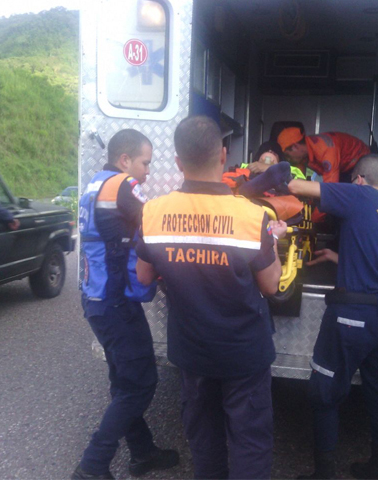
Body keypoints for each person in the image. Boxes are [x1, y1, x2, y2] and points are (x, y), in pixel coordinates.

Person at [135, 115, 287, 479]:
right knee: (250, 444)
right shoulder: (252, 217)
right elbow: (270, 284)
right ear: (223, 155)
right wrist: (275, 246)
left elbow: (143, 276)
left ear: (177, 161)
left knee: (204, 443)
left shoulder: (153, 213)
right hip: (244, 353)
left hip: (193, 351)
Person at [287, 154, 378, 480]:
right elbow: (377, 261)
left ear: (358, 179)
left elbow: (297, 186)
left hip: (351, 315)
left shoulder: (357, 194)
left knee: (324, 393)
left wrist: (267, 171)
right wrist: (338, 256)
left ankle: (324, 474)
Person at [72, 129, 179, 480]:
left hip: (96, 300)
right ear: (124, 161)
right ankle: (92, 465)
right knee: (140, 384)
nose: (147, 171)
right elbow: (154, 223)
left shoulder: (94, 184)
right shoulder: (122, 184)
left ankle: (142, 452)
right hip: (116, 304)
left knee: (124, 381)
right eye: (145, 163)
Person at [278, 128, 371, 184]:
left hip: (361, 162)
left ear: (295, 147)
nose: (288, 159)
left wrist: (315, 216)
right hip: (342, 167)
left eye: (287, 155)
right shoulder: (304, 154)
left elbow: (330, 191)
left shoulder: (325, 150)